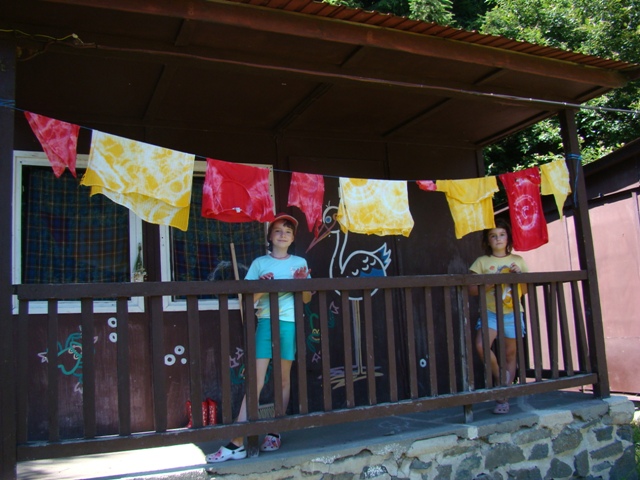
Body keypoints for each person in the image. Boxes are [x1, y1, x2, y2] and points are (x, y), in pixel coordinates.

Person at [207, 213, 312, 462]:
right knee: (255, 380)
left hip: (289, 324)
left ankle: (275, 431)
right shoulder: (259, 264)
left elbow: (307, 298)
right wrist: (261, 287)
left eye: (288, 231)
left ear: (293, 238)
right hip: (265, 323)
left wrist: (301, 283)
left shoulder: (300, 263)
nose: (283, 235)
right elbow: (248, 300)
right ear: (270, 236)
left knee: (283, 380)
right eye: (278, 230)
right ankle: (237, 442)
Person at [469, 218, 528, 415]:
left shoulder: (518, 261)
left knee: (510, 354)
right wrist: (490, 282)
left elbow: (525, 290)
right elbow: (472, 290)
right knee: (481, 345)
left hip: (513, 312)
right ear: (488, 240)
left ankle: (503, 396)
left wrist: (518, 276)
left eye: (502, 234)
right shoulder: (481, 262)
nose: (498, 239)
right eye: (493, 236)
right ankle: (501, 378)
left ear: (508, 237)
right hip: (491, 313)